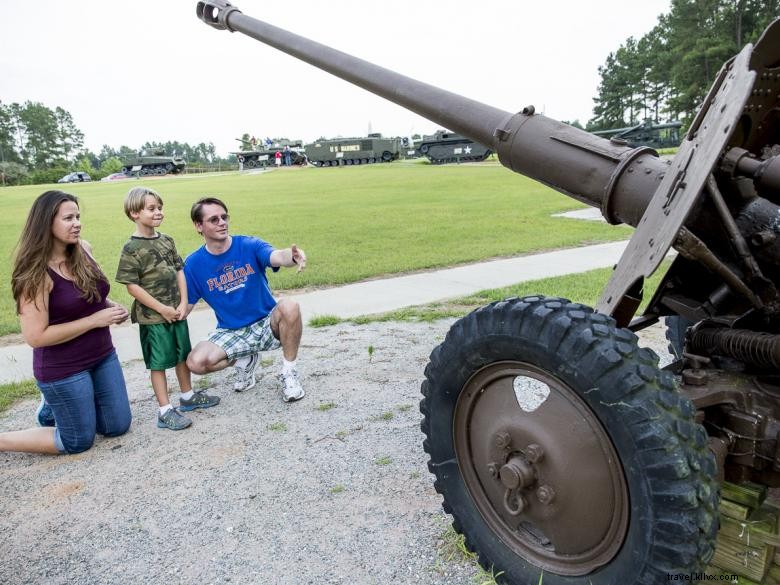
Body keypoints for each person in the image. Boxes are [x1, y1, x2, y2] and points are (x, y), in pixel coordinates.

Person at [0, 191, 132, 455]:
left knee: (116, 425)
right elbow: (36, 336)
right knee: (76, 441)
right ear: (46, 223)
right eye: (68, 218)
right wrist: (95, 320)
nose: (77, 223)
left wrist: (108, 306)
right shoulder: (35, 274)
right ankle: (19, 429)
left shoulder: (84, 249)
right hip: (63, 367)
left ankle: (65, 404)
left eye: (78, 216)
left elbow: (87, 295)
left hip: (102, 355)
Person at [116, 187, 220, 431]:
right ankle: (164, 410)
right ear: (134, 213)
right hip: (153, 318)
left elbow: (180, 270)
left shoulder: (166, 241)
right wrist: (162, 308)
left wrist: (183, 302)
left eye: (159, 208)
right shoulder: (131, 248)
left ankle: (187, 396)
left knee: (182, 355)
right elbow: (132, 287)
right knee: (159, 362)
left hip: (176, 313)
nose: (158, 212)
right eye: (151, 209)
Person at [183, 197, 307, 402]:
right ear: (199, 226)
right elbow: (185, 306)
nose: (222, 222)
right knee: (196, 362)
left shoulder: (248, 245)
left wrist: (292, 257)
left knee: (290, 306)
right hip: (231, 331)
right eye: (214, 219)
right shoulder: (194, 264)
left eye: (224, 217)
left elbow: (276, 256)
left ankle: (289, 372)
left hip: (267, 324)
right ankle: (246, 361)